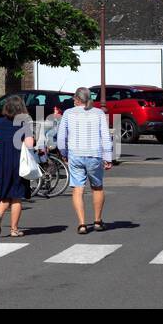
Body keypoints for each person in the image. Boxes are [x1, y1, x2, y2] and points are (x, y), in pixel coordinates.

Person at [56, 86, 114, 234]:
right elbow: (105, 136)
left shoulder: (68, 113)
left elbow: (61, 137)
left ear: (76, 99)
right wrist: (108, 157)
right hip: (94, 154)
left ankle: (82, 224)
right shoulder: (99, 113)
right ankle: (97, 221)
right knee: (97, 187)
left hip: (75, 153)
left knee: (77, 188)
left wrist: (63, 153)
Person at [0, 95, 35, 238]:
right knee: (16, 196)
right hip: (17, 163)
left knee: (4, 195)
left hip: (1, 162)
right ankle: (14, 229)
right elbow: (30, 144)